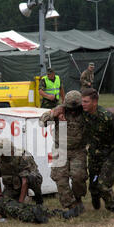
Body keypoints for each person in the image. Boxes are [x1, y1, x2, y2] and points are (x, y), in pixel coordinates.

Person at [39, 90, 88, 219]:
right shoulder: (59, 110)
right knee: (60, 178)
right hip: (60, 149)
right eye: (69, 108)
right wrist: (53, 114)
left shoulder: (85, 113)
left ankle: (78, 199)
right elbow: (41, 122)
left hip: (78, 150)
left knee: (78, 177)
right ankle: (70, 206)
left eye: (75, 108)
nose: (72, 111)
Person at [0, 138, 44, 206]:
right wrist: (0, 195)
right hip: (12, 185)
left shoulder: (22, 157)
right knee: (5, 204)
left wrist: (20, 203)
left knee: (32, 178)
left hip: (28, 182)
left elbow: (25, 181)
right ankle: (19, 197)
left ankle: (38, 200)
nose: (2, 156)